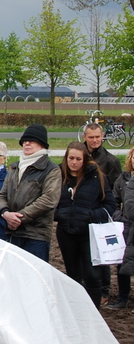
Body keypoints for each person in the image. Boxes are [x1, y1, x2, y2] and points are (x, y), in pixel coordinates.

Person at [54, 142, 116, 308]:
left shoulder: (97, 177)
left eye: (78, 159)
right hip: (66, 232)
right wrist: (60, 214)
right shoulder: (58, 176)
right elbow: (50, 204)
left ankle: (94, 310)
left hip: (89, 233)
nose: (74, 162)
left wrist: (91, 215)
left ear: (85, 160)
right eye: (71, 158)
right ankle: (78, 310)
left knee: (92, 275)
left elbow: (110, 204)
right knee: (73, 275)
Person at [0, 125, 61, 262]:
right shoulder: (15, 167)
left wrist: (20, 218)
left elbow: (49, 199)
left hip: (36, 235)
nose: (27, 143)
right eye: (24, 140)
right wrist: (5, 213)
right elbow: (2, 195)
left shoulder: (51, 170)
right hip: (12, 232)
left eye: (32, 140)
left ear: (42, 144)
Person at [83, 123, 123, 304]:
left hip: (100, 213)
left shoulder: (110, 161)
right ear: (85, 137)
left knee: (102, 253)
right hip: (81, 213)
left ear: (102, 137)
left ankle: (104, 291)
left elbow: (116, 191)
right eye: (91, 137)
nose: (94, 140)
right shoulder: (78, 156)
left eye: (97, 137)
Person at [111, 149, 134, 310]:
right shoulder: (123, 179)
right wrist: (121, 218)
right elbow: (114, 202)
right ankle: (123, 297)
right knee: (122, 263)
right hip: (125, 227)